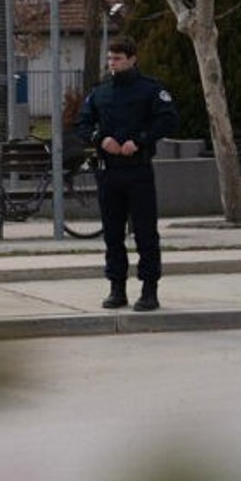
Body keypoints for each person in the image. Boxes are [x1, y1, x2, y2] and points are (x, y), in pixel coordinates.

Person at [75, 37, 179, 312]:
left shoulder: (150, 90)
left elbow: (168, 119)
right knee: (112, 234)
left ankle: (149, 290)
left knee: (145, 233)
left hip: (138, 170)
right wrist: (100, 138)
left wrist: (141, 140)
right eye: (110, 59)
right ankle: (116, 288)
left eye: (118, 58)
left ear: (133, 59)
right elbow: (83, 123)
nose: (113, 63)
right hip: (109, 172)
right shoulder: (101, 91)